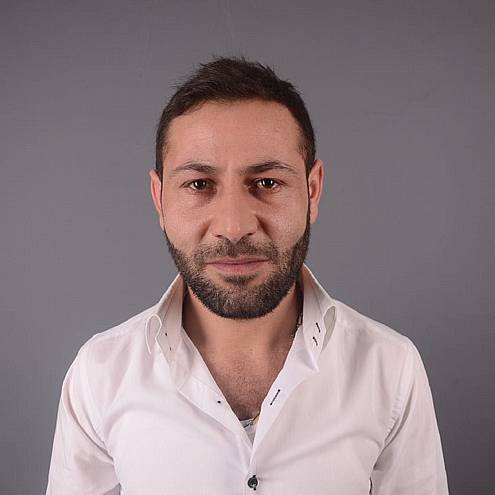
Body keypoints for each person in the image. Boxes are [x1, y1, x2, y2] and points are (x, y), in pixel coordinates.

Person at [45, 56, 449, 494]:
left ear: (312, 190)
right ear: (159, 200)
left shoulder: (390, 368)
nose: (234, 226)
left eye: (267, 183)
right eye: (199, 185)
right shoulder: (99, 376)